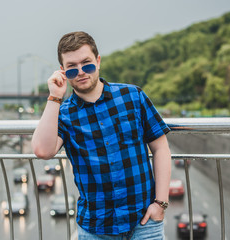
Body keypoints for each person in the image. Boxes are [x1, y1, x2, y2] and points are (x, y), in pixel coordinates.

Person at [32, 31, 171, 240]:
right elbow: (42, 151)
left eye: (86, 64)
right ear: (62, 71)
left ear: (98, 62)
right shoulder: (63, 113)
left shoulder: (133, 96)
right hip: (96, 227)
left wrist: (160, 204)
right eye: (72, 68)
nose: (80, 72)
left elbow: (161, 149)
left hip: (144, 222)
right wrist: (54, 97)